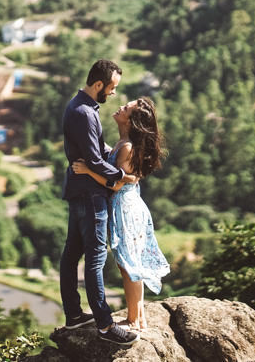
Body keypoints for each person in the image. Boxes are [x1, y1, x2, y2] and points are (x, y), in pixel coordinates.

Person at [59, 59, 140, 346]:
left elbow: (94, 150)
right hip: (91, 195)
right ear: (98, 85)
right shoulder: (84, 113)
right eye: (112, 88)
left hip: (79, 190)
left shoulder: (81, 107)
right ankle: (105, 326)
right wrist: (123, 176)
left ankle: (74, 314)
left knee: (72, 254)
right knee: (95, 257)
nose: (113, 94)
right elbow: (93, 160)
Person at [72, 96, 170, 331]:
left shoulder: (126, 147)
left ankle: (134, 320)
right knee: (129, 262)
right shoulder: (123, 143)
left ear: (132, 120)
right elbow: (125, 177)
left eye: (126, 108)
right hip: (128, 205)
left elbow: (114, 184)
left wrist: (87, 170)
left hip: (125, 208)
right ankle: (140, 317)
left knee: (128, 265)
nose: (120, 107)